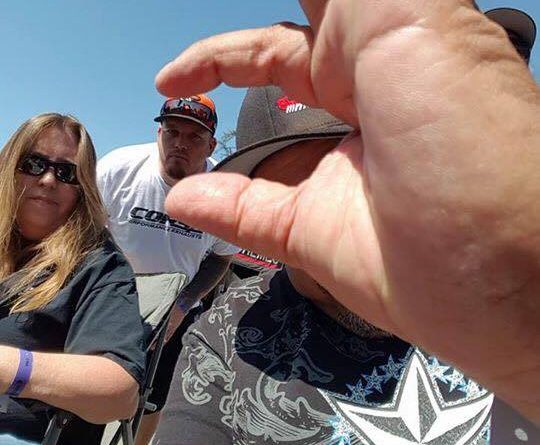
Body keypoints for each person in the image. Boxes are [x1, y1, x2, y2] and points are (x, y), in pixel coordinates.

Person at [154, 0, 540, 425]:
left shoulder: (506, 298)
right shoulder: (228, 337)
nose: (344, 231)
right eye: (302, 195)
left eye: (377, 174)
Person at [97, 94, 238, 444]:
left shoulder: (222, 193)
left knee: (153, 397)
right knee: (94, 387)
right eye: (172, 131)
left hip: (175, 310)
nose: (180, 144)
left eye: (194, 137)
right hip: (108, 296)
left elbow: (221, 257)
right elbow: (86, 234)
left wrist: (181, 306)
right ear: (158, 133)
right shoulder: (118, 169)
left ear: (211, 145)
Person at [0, 113, 146, 444]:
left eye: (66, 172)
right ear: (9, 165)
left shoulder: (99, 266)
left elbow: (119, 392)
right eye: (34, 163)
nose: (49, 179)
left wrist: (11, 368)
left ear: (82, 190)